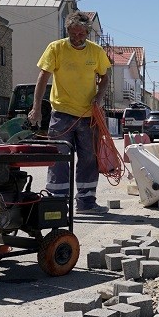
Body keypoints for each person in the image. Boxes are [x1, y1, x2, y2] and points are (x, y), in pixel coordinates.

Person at [27, 11, 112, 214]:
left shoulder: (96, 52)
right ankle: (56, 204)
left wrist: (99, 98)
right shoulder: (56, 48)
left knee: (89, 159)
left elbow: (105, 77)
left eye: (81, 34)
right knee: (58, 158)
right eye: (73, 34)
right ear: (68, 31)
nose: (77, 38)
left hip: (88, 116)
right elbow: (43, 77)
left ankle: (86, 203)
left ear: (87, 33)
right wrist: (36, 107)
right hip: (62, 114)